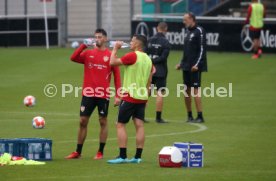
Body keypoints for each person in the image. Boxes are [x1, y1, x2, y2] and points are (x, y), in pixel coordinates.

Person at [65, 29, 121, 160]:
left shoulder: (111, 56)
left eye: (100, 37)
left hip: (103, 95)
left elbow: (117, 77)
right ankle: (78, 152)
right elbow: (73, 58)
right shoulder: (88, 53)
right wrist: (84, 45)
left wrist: (118, 95)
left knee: (103, 121)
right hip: (88, 93)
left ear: (105, 39)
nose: (97, 39)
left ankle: (100, 152)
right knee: (82, 121)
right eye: (95, 37)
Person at [107, 34, 154, 164]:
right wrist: (147, 96)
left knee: (120, 124)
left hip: (129, 96)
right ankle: (138, 157)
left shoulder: (132, 56)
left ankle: (122, 156)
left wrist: (115, 48)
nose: (130, 43)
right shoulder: (148, 59)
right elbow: (149, 80)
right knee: (139, 125)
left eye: (132, 41)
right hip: (142, 97)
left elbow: (112, 62)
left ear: (138, 44)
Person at [176, 13, 207, 123]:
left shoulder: (200, 30)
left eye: (185, 20)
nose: (184, 22)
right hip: (186, 66)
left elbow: (202, 49)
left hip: (195, 67)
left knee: (195, 91)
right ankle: (189, 115)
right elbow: (186, 51)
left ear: (191, 19)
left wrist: (197, 65)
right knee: (186, 91)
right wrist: (181, 63)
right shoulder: (188, 32)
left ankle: (200, 116)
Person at [146, 22, 170, 123]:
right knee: (160, 93)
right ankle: (158, 118)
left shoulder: (149, 40)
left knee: (146, 93)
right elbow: (164, 57)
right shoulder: (166, 42)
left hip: (149, 70)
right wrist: (155, 61)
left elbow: (144, 53)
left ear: (157, 28)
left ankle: (140, 115)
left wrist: (150, 61)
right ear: (166, 29)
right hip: (160, 71)